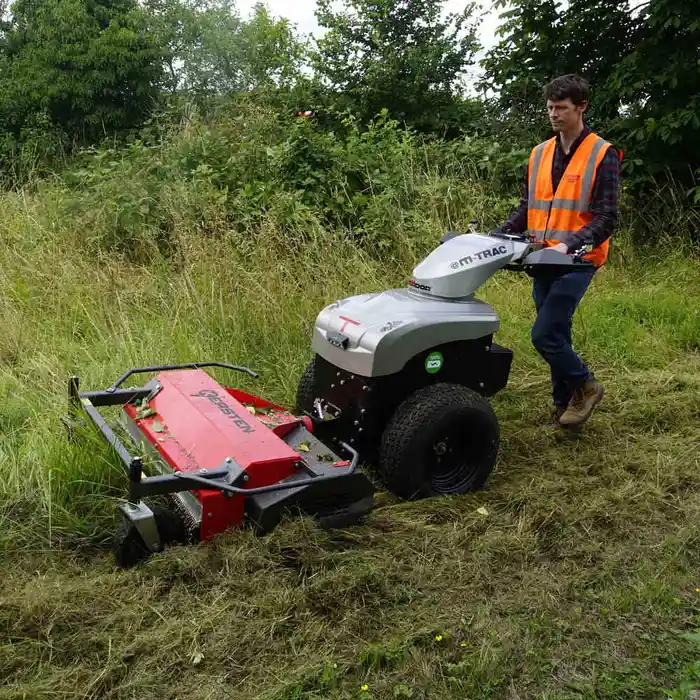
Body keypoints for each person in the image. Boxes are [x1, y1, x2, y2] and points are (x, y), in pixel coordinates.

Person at [494, 74, 622, 429]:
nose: (553, 114)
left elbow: (606, 217)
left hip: (578, 261)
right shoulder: (540, 154)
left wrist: (571, 243)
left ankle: (585, 384)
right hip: (541, 259)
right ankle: (563, 404)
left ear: (581, 107)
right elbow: (527, 207)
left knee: (544, 334)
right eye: (550, 107)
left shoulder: (602, 154)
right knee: (558, 334)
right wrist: (500, 234)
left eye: (561, 108)